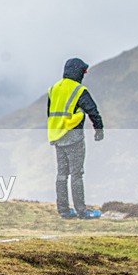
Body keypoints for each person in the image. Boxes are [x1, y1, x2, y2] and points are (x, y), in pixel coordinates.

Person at [47, 57, 104, 220]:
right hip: (74, 137)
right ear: (79, 72)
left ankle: (64, 210)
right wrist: (99, 130)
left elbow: (50, 114)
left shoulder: (53, 89)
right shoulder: (78, 90)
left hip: (57, 136)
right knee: (76, 174)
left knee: (62, 174)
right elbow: (93, 111)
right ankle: (82, 211)